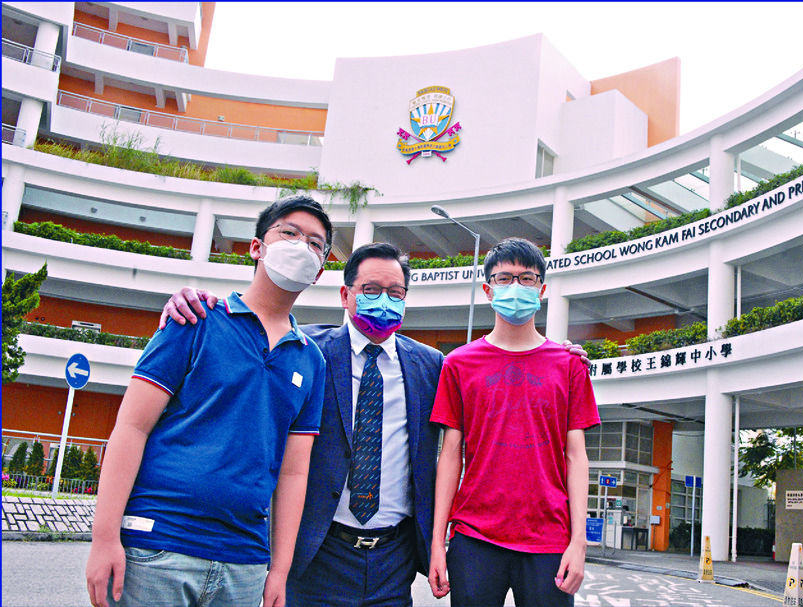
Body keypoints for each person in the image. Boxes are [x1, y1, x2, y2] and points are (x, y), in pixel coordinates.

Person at [160, 242, 591, 606]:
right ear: (346, 295)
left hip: (393, 557)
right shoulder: (307, 350)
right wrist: (199, 306)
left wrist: (563, 354)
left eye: (395, 291)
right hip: (320, 551)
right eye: (370, 289)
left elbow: (517, 388)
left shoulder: (432, 364)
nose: (383, 300)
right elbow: (261, 329)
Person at [85, 195, 332, 607]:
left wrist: (281, 571)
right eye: (289, 233)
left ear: (321, 268)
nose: (300, 246)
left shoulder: (312, 360)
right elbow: (131, 426)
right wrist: (104, 538)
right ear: (257, 247)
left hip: (245, 562)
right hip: (158, 545)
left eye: (315, 243)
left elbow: (293, 473)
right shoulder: (194, 319)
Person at [427, 237, 600, 607]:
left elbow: (577, 457)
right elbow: (449, 456)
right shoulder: (458, 364)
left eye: (526, 278)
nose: (516, 287)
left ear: (542, 289)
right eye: (505, 279)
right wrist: (437, 542)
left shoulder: (570, 366)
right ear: (488, 289)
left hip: (549, 538)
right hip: (475, 536)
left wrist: (578, 542)